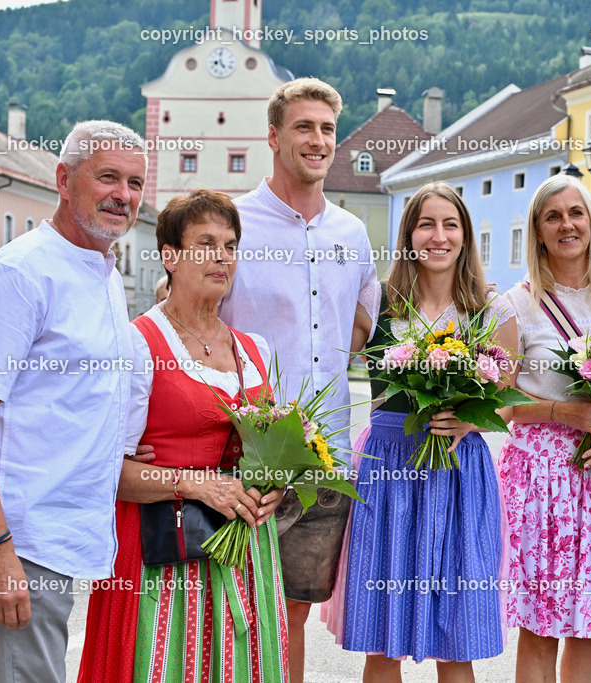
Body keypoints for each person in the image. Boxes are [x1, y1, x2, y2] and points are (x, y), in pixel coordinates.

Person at [0, 120, 147, 683]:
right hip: (21, 539)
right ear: (63, 178)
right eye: (107, 177)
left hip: (56, 535)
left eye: (134, 183)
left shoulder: (101, 271)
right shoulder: (19, 274)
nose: (123, 196)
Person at [77, 189, 287, 682]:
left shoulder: (253, 348)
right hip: (165, 552)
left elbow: (275, 445)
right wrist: (193, 483)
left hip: (245, 556)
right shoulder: (137, 342)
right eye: (206, 243)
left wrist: (276, 484)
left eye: (231, 245)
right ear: (169, 256)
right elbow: (106, 470)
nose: (222, 257)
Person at [218, 76, 377, 682]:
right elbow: (191, 318)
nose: (317, 140)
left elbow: (361, 321)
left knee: (293, 615)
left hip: (327, 454)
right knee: (231, 611)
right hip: (243, 455)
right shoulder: (232, 222)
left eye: (327, 129)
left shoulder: (351, 234)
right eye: (304, 127)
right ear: (274, 136)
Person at [338, 182, 516, 679]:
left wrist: (467, 419)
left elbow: (508, 400)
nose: (438, 236)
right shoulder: (378, 304)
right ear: (409, 234)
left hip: (459, 470)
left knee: (455, 637)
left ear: (465, 236)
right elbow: (325, 352)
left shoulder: (492, 309)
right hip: (388, 468)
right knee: (382, 637)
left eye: (450, 224)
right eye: (426, 224)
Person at [499, 174, 591, 683]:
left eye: (576, 213)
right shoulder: (514, 304)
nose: (567, 224)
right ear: (538, 232)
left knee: (590, 624)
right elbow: (498, 400)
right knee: (540, 624)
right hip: (539, 475)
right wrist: (562, 413)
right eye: (553, 216)